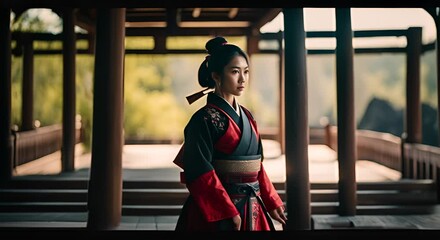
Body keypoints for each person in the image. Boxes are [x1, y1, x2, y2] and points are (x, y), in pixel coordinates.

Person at [173, 36, 287, 231]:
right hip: (218, 209)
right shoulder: (203, 119)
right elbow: (199, 171)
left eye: (246, 72)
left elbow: (256, 166)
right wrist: (226, 210)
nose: (242, 79)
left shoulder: (248, 116)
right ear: (216, 76)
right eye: (235, 72)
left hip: (253, 204)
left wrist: (271, 199)